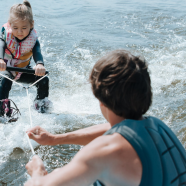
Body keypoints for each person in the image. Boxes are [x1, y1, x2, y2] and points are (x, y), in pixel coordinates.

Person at [25, 50, 186, 186]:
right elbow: (113, 130)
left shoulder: (103, 152)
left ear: (101, 101)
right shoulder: (158, 126)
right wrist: (55, 139)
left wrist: (37, 172)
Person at [0, 0, 50, 122]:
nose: (20, 32)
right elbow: (0, 47)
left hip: (22, 70)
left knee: (43, 79)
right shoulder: (5, 36)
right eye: (15, 28)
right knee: (5, 81)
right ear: (9, 25)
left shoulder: (33, 40)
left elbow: (37, 53)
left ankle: (41, 109)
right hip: (5, 68)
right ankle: (0, 115)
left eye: (24, 28)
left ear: (32, 25)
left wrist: (40, 64)